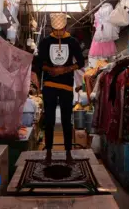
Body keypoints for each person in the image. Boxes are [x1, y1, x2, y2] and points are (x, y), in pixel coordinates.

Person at [36, 13, 85, 163]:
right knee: (49, 119)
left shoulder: (73, 42)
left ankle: (68, 152)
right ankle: (48, 152)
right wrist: (49, 69)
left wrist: (65, 69)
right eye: (55, 30)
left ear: (65, 26)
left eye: (61, 29)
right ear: (51, 27)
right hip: (49, 85)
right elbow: (39, 64)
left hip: (66, 86)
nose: (58, 33)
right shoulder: (45, 42)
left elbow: (81, 62)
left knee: (66, 120)